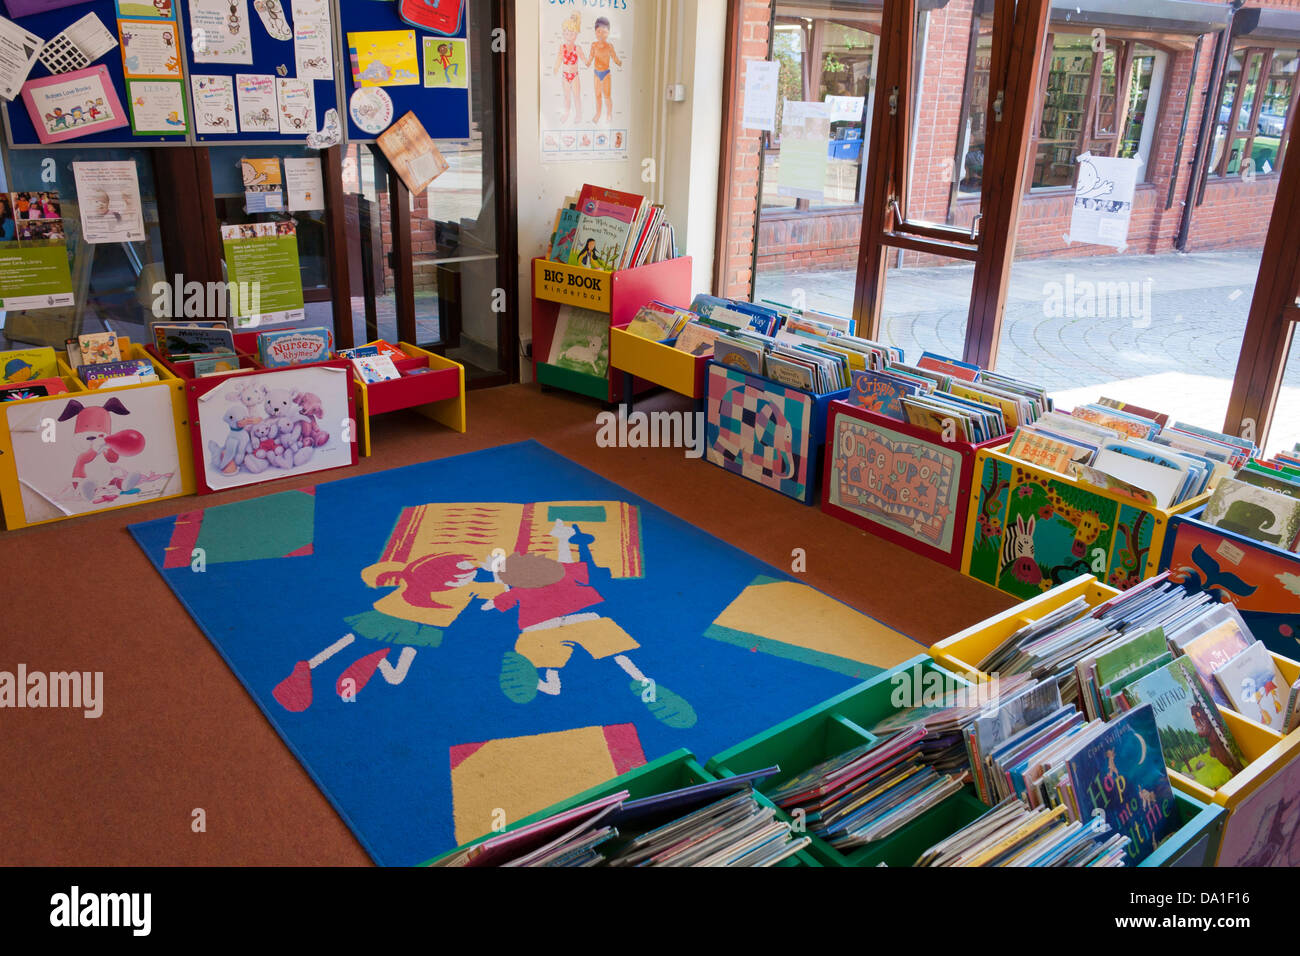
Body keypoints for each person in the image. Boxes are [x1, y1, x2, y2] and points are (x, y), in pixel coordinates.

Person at [585, 16, 621, 124]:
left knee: (607, 96)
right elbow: (590, 57)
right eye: (599, 31)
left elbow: (615, 58)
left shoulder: (609, 46)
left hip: (606, 74)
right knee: (598, 96)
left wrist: (619, 62)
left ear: (608, 32)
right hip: (596, 73)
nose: (601, 34)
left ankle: (609, 114)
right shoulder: (594, 45)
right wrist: (587, 62)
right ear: (595, 32)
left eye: (604, 32)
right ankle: (598, 113)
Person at [553, 11, 582, 126]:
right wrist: (555, 67)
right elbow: (559, 58)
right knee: (567, 97)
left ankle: (579, 114)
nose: (568, 36)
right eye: (565, 33)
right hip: (565, 75)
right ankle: (566, 113)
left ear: (575, 35)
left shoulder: (577, 48)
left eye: (571, 34)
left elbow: (584, 58)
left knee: (576, 96)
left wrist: (588, 61)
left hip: (575, 76)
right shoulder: (562, 47)